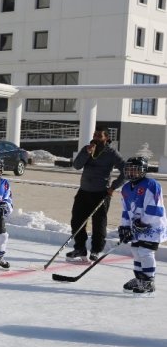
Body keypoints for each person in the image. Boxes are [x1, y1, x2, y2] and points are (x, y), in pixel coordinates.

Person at [67, 127, 125, 263]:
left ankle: (96, 250)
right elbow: (76, 165)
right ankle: (80, 248)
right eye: (94, 135)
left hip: (101, 193)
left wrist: (113, 187)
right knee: (77, 221)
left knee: (99, 224)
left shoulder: (112, 153)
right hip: (84, 191)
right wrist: (87, 153)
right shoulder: (87, 148)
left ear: (106, 138)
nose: (96, 138)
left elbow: (125, 171)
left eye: (99, 136)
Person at [118, 157, 167, 296]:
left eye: (135, 170)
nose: (131, 173)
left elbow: (155, 208)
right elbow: (126, 210)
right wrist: (125, 227)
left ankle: (148, 281)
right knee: (135, 250)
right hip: (137, 226)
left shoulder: (151, 184)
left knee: (145, 251)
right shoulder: (126, 188)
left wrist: (143, 222)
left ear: (143, 171)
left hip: (152, 225)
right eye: (129, 170)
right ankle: (140, 278)